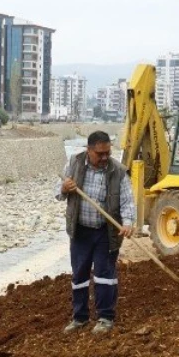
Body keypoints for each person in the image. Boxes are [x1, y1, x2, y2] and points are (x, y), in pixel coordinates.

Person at [57, 130, 136, 334]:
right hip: (80, 231)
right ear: (89, 150)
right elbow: (57, 192)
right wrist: (65, 188)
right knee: (80, 275)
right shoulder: (74, 163)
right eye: (99, 153)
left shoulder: (117, 171)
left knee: (104, 274)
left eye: (107, 153)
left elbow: (127, 201)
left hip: (105, 232)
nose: (104, 158)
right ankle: (80, 317)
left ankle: (105, 317)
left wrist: (127, 223)